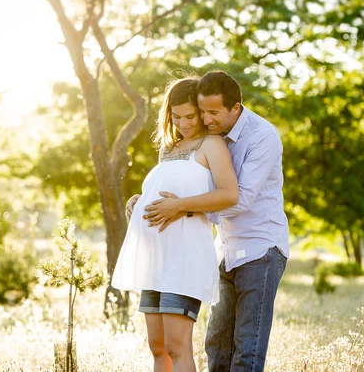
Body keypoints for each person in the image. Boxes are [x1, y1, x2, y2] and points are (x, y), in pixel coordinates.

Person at [143, 70, 290, 372]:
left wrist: (181, 208)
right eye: (202, 112)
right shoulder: (211, 137)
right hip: (224, 250)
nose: (205, 119)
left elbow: (240, 198)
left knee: (246, 350)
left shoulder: (262, 137)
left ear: (235, 108)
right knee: (217, 348)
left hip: (260, 249)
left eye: (212, 112)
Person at [111, 77, 239, 372]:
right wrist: (140, 200)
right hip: (156, 261)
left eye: (190, 116)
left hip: (185, 258)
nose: (184, 123)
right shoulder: (169, 149)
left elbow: (229, 194)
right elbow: (166, 190)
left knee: (176, 346)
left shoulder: (212, 144)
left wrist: (179, 207)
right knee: (157, 347)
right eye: (176, 117)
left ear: (201, 111)